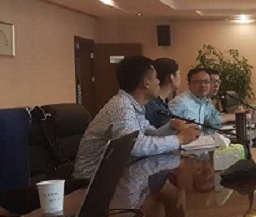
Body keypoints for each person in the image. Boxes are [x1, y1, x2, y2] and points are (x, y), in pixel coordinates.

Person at [72, 56, 200, 179]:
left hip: (118, 176)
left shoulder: (134, 105)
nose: (159, 82)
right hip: (92, 181)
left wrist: (170, 127)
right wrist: (179, 139)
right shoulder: (121, 106)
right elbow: (134, 146)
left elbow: (149, 134)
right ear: (146, 83)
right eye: (156, 78)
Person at [169, 68, 238, 132]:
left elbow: (212, 118)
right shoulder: (180, 102)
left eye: (206, 81)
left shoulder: (203, 100)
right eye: (198, 82)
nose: (203, 85)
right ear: (189, 84)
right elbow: (167, 129)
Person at [145, 58, 181, 128]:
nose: (180, 78)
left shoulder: (162, 102)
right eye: (179, 74)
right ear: (171, 77)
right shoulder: (153, 105)